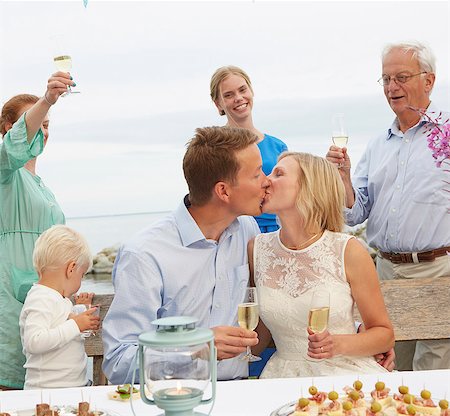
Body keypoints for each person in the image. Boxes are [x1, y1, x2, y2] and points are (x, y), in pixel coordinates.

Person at [102, 126, 268, 383]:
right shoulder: (144, 254)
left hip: (239, 393)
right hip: (172, 400)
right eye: (257, 174)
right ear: (223, 191)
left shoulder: (246, 229)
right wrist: (196, 349)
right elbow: (118, 362)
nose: (266, 181)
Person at [326, 41, 450, 371]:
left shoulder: (448, 134)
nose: (392, 87)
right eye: (385, 79)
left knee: (433, 376)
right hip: (384, 274)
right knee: (388, 371)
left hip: (438, 271)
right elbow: (356, 212)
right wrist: (343, 177)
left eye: (401, 77)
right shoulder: (378, 144)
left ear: (429, 80)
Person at [249, 152, 395, 378]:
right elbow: (262, 332)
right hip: (282, 375)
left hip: (345, 371)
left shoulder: (348, 250)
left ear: (309, 187)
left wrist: (338, 344)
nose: (266, 180)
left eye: (278, 174)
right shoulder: (257, 250)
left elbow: (383, 334)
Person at [0, 71, 76, 389]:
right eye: (36, 123)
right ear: (9, 129)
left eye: (47, 125)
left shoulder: (42, 186)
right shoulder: (5, 172)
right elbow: (16, 147)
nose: (43, 130)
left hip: (48, 305)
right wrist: (47, 100)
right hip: (11, 301)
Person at [19, 225, 100, 389]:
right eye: (82, 275)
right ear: (71, 269)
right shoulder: (40, 298)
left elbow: (65, 332)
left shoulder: (60, 299)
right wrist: (76, 324)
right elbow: (34, 341)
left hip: (73, 388)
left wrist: (81, 314)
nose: (81, 281)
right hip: (47, 392)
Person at [210, 65, 288, 233]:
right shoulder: (215, 147)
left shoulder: (278, 146)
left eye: (242, 90)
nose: (238, 98)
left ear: (251, 91)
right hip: (234, 233)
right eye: (228, 95)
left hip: (278, 232)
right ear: (218, 104)